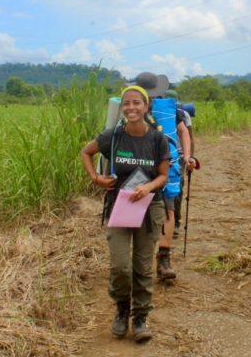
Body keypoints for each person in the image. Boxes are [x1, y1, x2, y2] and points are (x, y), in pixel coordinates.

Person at [80, 85, 170, 342]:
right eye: (127, 103)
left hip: (149, 206)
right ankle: (122, 308)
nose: (131, 107)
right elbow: (86, 152)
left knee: (142, 266)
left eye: (136, 103)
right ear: (122, 108)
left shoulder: (157, 139)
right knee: (120, 266)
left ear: (146, 106)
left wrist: (149, 186)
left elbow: (163, 175)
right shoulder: (113, 136)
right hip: (119, 205)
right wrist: (96, 178)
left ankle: (140, 316)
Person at [125, 73, 194, 280]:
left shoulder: (171, 110)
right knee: (134, 210)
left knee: (168, 210)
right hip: (137, 166)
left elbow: (183, 132)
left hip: (167, 165)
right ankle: (137, 259)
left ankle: (163, 258)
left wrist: (187, 156)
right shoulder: (132, 108)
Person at [164, 89, 194, 238]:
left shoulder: (183, 115)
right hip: (162, 155)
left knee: (177, 189)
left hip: (179, 155)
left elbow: (188, 135)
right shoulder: (159, 112)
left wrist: (189, 157)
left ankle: (175, 221)